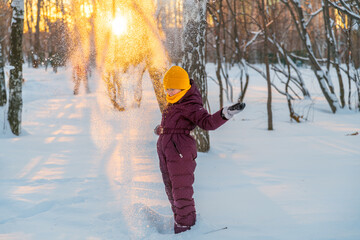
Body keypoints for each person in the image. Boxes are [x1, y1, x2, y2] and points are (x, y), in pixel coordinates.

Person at [154, 66, 246, 234]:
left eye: (172, 89)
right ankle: (179, 219)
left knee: (181, 190)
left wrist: (226, 113)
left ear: (182, 87)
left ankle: (185, 228)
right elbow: (175, 123)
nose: (169, 92)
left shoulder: (191, 104)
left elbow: (207, 122)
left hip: (179, 150)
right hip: (166, 148)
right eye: (167, 88)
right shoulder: (174, 101)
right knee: (170, 188)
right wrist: (162, 129)